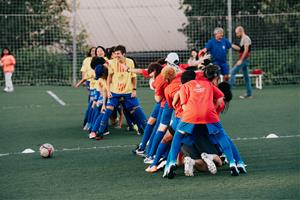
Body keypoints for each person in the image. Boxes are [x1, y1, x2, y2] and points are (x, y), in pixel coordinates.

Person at [95, 45, 147, 140]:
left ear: (124, 54)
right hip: (115, 92)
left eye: (118, 54)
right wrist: (109, 91)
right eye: (115, 54)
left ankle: (147, 130)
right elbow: (109, 78)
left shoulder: (130, 62)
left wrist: (134, 90)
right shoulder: (112, 63)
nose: (116, 55)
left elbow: (133, 77)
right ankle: (100, 132)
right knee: (108, 110)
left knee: (137, 110)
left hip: (128, 92)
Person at [230, 26, 253, 99]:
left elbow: (246, 51)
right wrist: (232, 45)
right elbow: (241, 49)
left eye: (237, 33)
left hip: (244, 60)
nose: (236, 35)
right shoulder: (243, 39)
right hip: (244, 60)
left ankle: (228, 92)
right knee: (246, 77)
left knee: (232, 72)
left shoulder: (246, 38)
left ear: (240, 31)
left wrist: (240, 60)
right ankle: (249, 94)